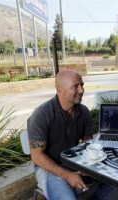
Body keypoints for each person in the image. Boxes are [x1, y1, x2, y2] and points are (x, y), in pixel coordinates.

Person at [27, 69, 101, 199]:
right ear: (60, 90)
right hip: (47, 167)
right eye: (75, 86)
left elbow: (86, 142)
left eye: (82, 85)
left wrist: (87, 164)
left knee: (111, 183)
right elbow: (37, 157)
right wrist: (68, 175)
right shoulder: (42, 114)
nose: (82, 90)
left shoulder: (84, 112)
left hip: (73, 161)